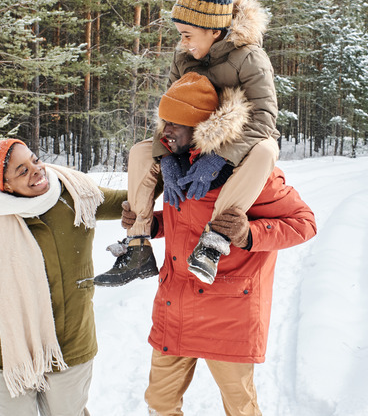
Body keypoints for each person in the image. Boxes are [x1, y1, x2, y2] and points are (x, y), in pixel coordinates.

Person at [121, 71, 317, 415]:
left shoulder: (250, 173)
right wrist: (153, 225)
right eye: (164, 121)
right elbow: (186, 221)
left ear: (201, 127)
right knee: (159, 403)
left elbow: (304, 223)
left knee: (239, 408)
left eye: (176, 124)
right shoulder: (172, 166)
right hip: (175, 304)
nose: (165, 131)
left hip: (229, 310)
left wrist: (248, 234)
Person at [0, 139, 126, 416]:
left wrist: (171, 163)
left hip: (70, 341)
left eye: (34, 160)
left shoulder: (75, 194)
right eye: (22, 171)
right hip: (8, 348)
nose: (36, 170)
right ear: (3, 186)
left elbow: (134, 199)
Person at [94, 0, 280, 287]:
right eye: (181, 35)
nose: (183, 43)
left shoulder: (249, 58)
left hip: (235, 143)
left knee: (266, 150)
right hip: (189, 141)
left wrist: (218, 158)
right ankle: (138, 245)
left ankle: (213, 242)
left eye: (188, 35)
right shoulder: (184, 58)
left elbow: (264, 120)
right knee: (142, 150)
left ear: (213, 30)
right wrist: (167, 157)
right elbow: (170, 113)